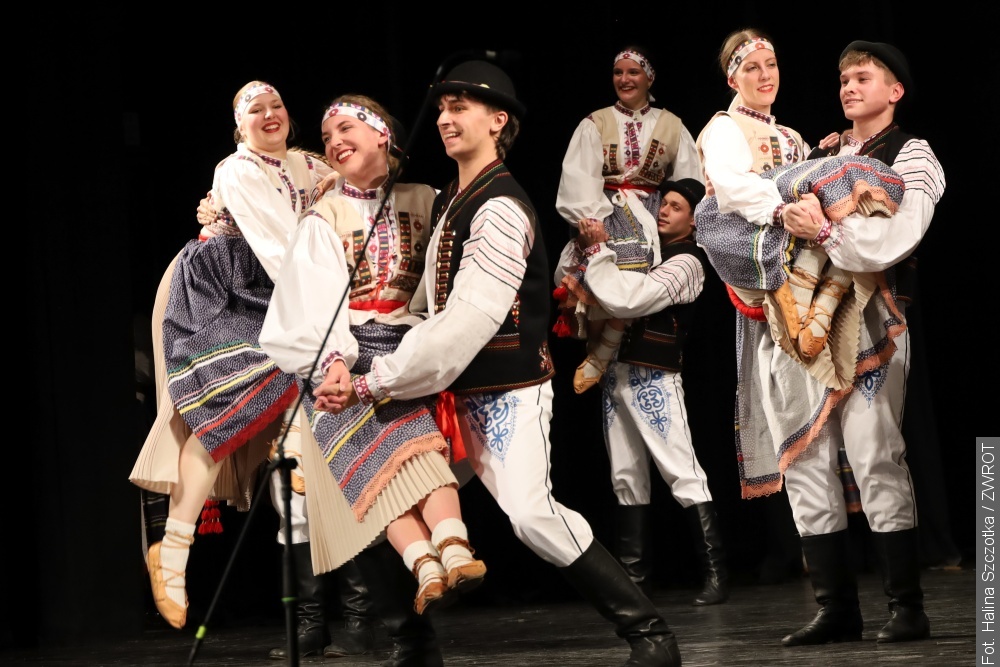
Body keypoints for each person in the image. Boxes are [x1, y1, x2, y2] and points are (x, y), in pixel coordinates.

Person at [325, 59, 683, 667]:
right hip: (448, 394)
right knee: (377, 495)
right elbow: (429, 308)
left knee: (533, 517)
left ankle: (650, 634)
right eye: (442, 109)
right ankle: (413, 647)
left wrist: (375, 381)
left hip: (503, 391)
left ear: (498, 121)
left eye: (460, 108)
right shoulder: (451, 200)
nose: (445, 118)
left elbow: (468, 320)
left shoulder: (499, 207)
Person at [713, 34, 945, 646]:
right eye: (844, 79)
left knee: (873, 452)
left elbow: (896, 238)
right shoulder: (820, 152)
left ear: (895, 90)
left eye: (863, 77)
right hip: (803, 327)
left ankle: (906, 607)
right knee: (806, 458)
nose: (849, 87)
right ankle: (835, 607)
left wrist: (823, 232)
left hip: (873, 321)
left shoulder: (914, 154)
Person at [260, 93, 487, 618]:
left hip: (407, 351)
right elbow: (313, 298)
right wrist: (334, 363)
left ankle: (454, 549)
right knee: (373, 475)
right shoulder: (324, 216)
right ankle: (425, 567)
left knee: (419, 454)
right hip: (341, 359)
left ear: (382, 134)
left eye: (345, 129)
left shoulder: (426, 200)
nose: (334, 142)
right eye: (326, 137)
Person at [128, 81, 338, 637]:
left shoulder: (311, 166)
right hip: (222, 289)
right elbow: (277, 243)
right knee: (225, 402)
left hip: (275, 287)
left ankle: (288, 444)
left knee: (284, 380)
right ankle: (173, 550)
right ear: (238, 127)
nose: (269, 115)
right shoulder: (238, 168)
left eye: (276, 105)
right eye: (254, 110)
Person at [574, 177, 729, 606]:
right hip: (616, 371)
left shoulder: (689, 261)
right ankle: (636, 582)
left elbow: (632, 299)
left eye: (677, 207)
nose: (664, 211)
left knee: (682, 471)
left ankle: (716, 575)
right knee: (625, 476)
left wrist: (599, 252)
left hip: (653, 374)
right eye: (664, 203)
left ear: (695, 221)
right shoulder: (647, 252)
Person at [554, 45, 702, 394]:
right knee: (608, 265)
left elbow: (689, 183)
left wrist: (680, 218)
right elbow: (579, 178)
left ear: (649, 78)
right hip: (607, 208)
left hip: (652, 213)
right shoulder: (597, 123)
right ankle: (600, 352)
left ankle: (606, 351)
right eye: (618, 72)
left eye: (633, 72)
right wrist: (590, 221)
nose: (624, 79)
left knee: (642, 278)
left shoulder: (671, 125)